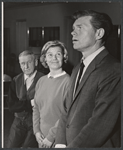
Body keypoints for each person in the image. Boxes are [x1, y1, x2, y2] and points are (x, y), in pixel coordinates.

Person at [55, 10, 121, 148]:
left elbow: (100, 124)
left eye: (80, 28)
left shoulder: (113, 70)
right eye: (73, 29)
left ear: (99, 33)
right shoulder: (77, 68)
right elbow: (66, 110)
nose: (73, 33)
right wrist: (60, 143)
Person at [33, 40, 70, 148]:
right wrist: (37, 131)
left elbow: (67, 114)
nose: (54, 58)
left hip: (59, 137)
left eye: (58, 54)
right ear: (45, 59)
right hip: (41, 137)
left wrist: (51, 137)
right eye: (50, 55)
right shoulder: (41, 81)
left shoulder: (68, 82)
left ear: (64, 57)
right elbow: (36, 108)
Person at [7, 50, 44, 148]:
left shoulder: (44, 79)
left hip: (36, 122)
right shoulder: (15, 80)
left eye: (29, 62)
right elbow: (11, 106)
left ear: (35, 62)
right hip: (18, 120)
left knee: (28, 147)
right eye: (23, 63)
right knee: (11, 146)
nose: (26, 66)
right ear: (19, 65)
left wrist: (21, 104)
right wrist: (30, 103)